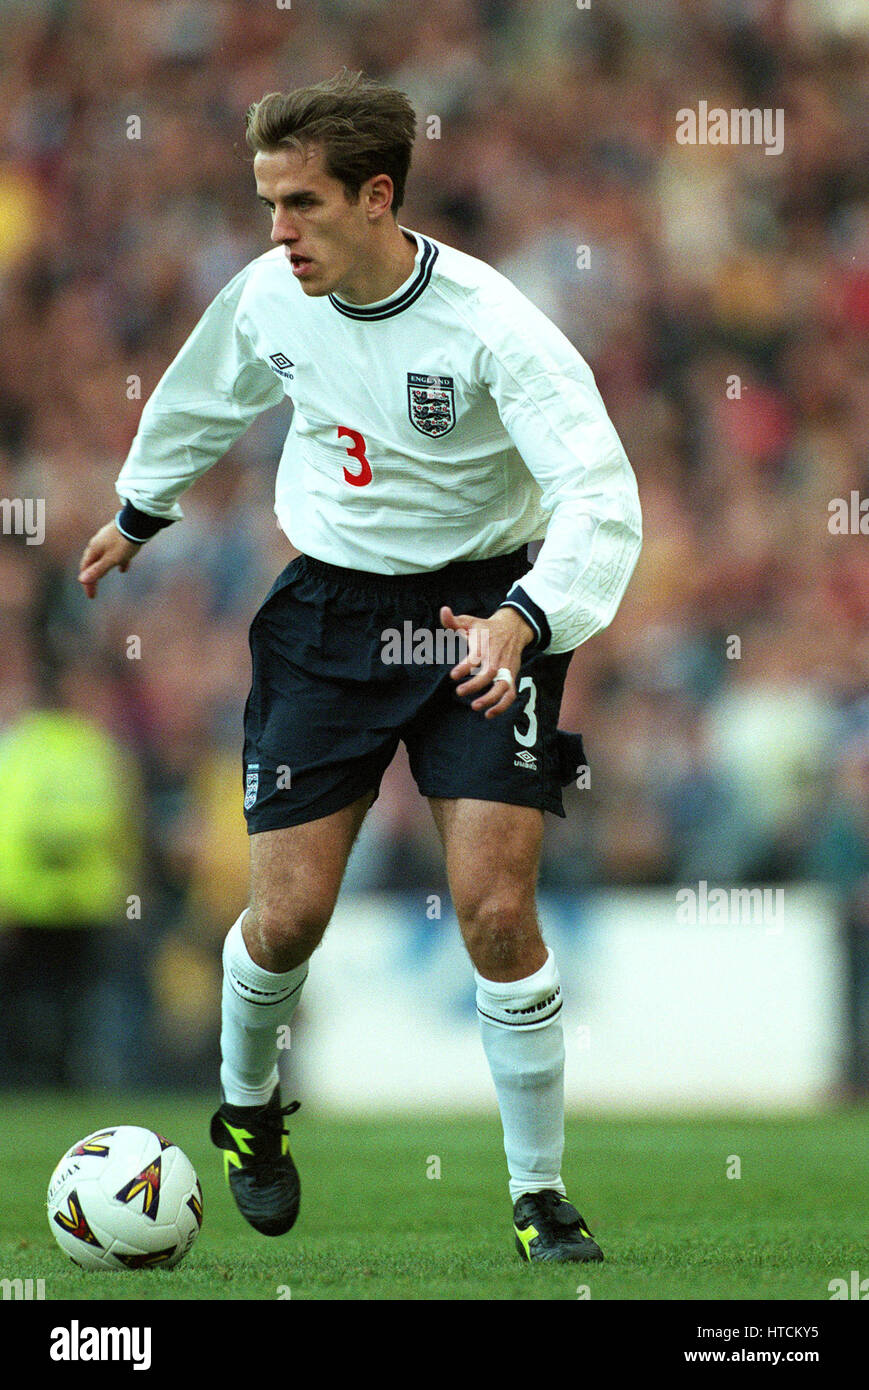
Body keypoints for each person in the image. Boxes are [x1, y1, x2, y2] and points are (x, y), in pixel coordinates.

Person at [78, 70, 642, 1264]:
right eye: (265, 203)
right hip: (325, 620)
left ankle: (537, 1195)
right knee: (285, 920)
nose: (275, 232)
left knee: (494, 912)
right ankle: (244, 1113)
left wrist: (528, 617)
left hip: (480, 618)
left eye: (299, 204)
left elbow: (600, 494)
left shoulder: (494, 326)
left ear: (376, 196)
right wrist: (139, 512)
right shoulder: (267, 296)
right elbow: (201, 396)